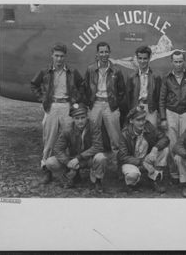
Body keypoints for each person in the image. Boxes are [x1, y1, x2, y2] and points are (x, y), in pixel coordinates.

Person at [30, 42, 83, 184]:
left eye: (62, 56)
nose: (59, 59)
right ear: (52, 56)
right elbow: (34, 84)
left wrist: (75, 100)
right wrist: (42, 98)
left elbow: (82, 85)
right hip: (52, 106)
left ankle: (73, 170)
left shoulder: (72, 72)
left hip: (67, 106)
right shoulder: (45, 71)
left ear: (65, 57)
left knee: (71, 138)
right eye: (56, 56)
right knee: (49, 139)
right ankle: (46, 170)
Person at [45, 103, 107, 192]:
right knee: (50, 162)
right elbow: (57, 149)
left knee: (101, 157)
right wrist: (67, 162)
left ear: (87, 117)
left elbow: (98, 146)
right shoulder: (67, 129)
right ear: (73, 119)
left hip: (88, 159)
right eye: (77, 118)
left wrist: (79, 158)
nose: (80, 121)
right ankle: (69, 176)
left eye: (83, 118)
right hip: (72, 159)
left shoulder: (94, 127)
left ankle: (98, 180)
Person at [159, 50, 186, 181]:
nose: (178, 64)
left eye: (180, 61)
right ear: (172, 62)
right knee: (171, 144)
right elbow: (162, 99)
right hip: (171, 112)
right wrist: (163, 118)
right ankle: (174, 173)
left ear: (184, 61)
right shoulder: (166, 78)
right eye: (175, 62)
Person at [83, 41, 126, 161]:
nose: (104, 54)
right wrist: (89, 104)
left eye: (106, 52)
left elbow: (122, 91)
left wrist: (115, 103)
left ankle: (118, 162)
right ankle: (91, 162)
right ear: (97, 53)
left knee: (115, 136)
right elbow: (85, 87)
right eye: (101, 52)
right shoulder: (90, 69)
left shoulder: (116, 71)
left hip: (110, 105)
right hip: (95, 104)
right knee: (92, 133)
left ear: (109, 53)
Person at [118, 105, 170, 193]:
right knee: (132, 175)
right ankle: (132, 184)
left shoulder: (148, 126)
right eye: (138, 120)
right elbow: (123, 157)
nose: (142, 123)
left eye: (143, 119)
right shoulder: (125, 134)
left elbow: (165, 138)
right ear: (131, 121)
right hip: (132, 162)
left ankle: (154, 179)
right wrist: (142, 162)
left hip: (146, 159)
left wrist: (155, 148)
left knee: (165, 150)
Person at [126, 46, 161, 127]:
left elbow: (158, 96)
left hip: (151, 108)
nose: (142, 61)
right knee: (137, 134)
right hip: (136, 107)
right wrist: (132, 110)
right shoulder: (131, 76)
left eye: (145, 58)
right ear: (137, 59)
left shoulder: (156, 76)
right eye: (140, 58)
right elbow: (128, 97)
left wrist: (158, 113)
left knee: (151, 134)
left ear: (149, 58)